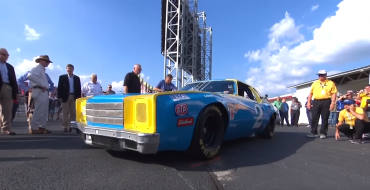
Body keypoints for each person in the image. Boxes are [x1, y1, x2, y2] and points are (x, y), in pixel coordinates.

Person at [307, 70, 337, 139]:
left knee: (325, 117)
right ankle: (313, 132)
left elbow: (334, 93)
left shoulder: (330, 83)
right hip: (316, 101)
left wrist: (333, 103)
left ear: (326, 75)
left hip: (326, 101)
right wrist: (309, 102)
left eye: (322, 75)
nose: (320, 76)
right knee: (314, 117)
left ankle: (323, 133)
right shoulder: (315, 83)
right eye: (319, 75)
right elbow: (311, 93)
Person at [28, 55, 53, 134]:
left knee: (44, 111)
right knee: (39, 110)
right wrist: (41, 84)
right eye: (46, 61)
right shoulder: (37, 67)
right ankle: (34, 128)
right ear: (40, 60)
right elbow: (30, 76)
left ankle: (41, 127)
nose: (48, 63)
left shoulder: (41, 69)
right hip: (39, 90)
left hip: (43, 91)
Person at [57, 64, 81, 132]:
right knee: (65, 112)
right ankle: (64, 126)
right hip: (65, 97)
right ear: (66, 69)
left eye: (70, 68)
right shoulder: (62, 77)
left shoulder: (77, 78)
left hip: (74, 96)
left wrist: (78, 98)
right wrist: (59, 97)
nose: (69, 70)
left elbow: (79, 89)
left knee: (73, 112)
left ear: (73, 69)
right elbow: (59, 88)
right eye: (68, 68)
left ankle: (71, 126)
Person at [0, 48, 19, 135]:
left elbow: (14, 81)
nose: (7, 57)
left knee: (7, 110)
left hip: (8, 87)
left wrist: (16, 92)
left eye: (7, 55)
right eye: (4, 55)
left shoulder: (10, 67)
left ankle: (6, 128)